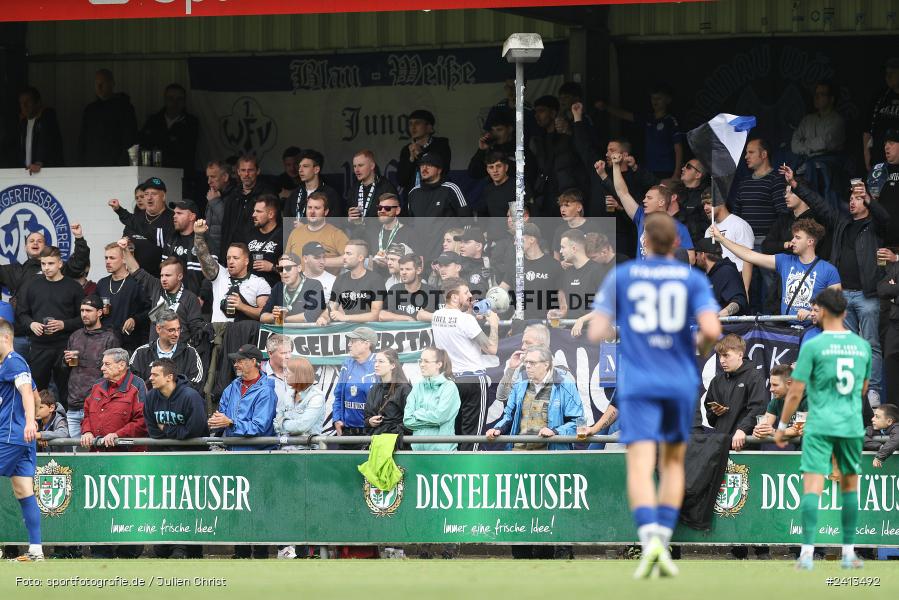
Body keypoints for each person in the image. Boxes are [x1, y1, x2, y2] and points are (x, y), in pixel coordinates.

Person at [588, 212, 722, 578]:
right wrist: (695, 344)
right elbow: (712, 329)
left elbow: (598, 329)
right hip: (678, 380)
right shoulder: (691, 277)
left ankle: (648, 541)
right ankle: (663, 538)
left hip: (641, 381)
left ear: (644, 241)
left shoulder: (623, 276)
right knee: (674, 463)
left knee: (641, 463)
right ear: (677, 243)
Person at [774, 288, 872, 570]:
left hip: (819, 424)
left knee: (813, 487)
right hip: (851, 424)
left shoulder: (813, 346)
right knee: (850, 487)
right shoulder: (861, 346)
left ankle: (806, 553)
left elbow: (795, 393)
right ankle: (849, 552)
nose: (813, 314)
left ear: (826, 311)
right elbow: (863, 388)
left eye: (816, 309)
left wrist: (782, 426)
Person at [785, 168, 888, 405]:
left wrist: (870, 200)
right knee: (848, 347)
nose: (852, 202)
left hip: (867, 294)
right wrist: (796, 185)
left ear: (868, 203)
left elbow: (886, 218)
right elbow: (820, 205)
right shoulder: (842, 223)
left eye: (858, 199)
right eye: (850, 199)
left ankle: (872, 392)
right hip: (843, 296)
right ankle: (853, 392)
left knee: (871, 344)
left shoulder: (874, 226)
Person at [710, 219, 841, 320]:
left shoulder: (829, 270)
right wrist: (721, 239)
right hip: (785, 330)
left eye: (798, 237)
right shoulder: (784, 261)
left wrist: (813, 313)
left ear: (810, 242)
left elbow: (835, 307)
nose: (792, 240)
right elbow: (749, 255)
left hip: (812, 330)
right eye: (793, 237)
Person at [143, 358, 208, 559]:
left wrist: (169, 430)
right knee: (164, 504)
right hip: (163, 459)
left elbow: (195, 429)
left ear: (169, 377)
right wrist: (176, 433)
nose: (150, 378)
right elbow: (153, 430)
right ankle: (165, 546)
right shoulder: (152, 397)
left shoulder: (190, 396)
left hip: (191, 460)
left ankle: (188, 549)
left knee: (187, 504)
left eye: (155, 375)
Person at [431, 279, 499, 451]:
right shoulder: (466, 321)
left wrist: (469, 313)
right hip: (472, 380)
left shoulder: (437, 316)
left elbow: (456, 324)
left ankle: (455, 472)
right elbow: (491, 349)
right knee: (473, 437)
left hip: (450, 380)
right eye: (466, 292)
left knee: (455, 433)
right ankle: (470, 473)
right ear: (454, 297)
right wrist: (494, 325)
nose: (470, 295)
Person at [0, 318, 42, 562]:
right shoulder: (14, 365)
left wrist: (28, 422)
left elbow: (27, 393)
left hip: (9, 436)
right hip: (20, 438)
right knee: (23, 490)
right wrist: (29, 420)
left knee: (24, 490)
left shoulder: (14, 362)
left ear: (6, 338)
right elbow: (36, 397)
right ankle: (36, 550)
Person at [16, 246, 84, 396]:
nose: (46, 268)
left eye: (50, 263)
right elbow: (21, 313)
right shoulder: (32, 285)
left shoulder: (73, 287)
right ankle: (37, 420)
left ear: (60, 264)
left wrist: (64, 324)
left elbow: (84, 319)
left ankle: (67, 420)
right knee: (37, 392)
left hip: (66, 346)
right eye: (43, 264)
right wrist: (31, 324)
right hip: (39, 346)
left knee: (68, 391)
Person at [487, 345, 582, 449]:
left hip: (550, 458)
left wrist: (555, 432)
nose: (527, 366)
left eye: (532, 363)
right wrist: (498, 429)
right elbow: (509, 416)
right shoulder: (519, 384)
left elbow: (577, 422)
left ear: (546, 364)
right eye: (526, 362)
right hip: (518, 453)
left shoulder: (565, 384)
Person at [611, 152, 694, 262]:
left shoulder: (678, 227)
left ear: (661, 202)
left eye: (649, 198)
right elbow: (622, 193)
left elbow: (691, 259)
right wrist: (616, 166)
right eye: (645, 197)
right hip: (641, 276)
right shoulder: (641, 216)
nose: (644, 200)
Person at [596, 83, 684, 179]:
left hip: (666, 170)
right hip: (648, 168)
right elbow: (626, 115)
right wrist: (606, 107)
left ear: (668, 100)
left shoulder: (671, 121)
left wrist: (676, 173)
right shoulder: (648, 118)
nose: (655, 101)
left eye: (659, 98)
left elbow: (678, 148)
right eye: (653, 98)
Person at [193, 219, 271, 323]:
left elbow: (265, 315)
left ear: (246, 261)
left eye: (235, 258)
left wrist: (242, 306)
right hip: (218, 335)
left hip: (245, 335)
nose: (231, 261)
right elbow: (204, 257)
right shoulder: (220, 274)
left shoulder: (259, 283)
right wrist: (198, 236)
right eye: (228, 258)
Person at [702, 334, 768, 452]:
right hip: (719, 447)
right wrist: (714, 412)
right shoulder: (717, 381)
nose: (722, 360)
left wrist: (742, 429)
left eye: (726, 356)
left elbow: (758, 408)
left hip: (745, 446)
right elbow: (710, 419)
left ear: (740, 355)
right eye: (720, 356)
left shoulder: (754, 377)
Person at [64, 295, 119, 437]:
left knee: (95, 454)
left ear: (100, 312)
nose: (84, 314)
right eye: (82, 310)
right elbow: (64, 370)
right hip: (73, 405)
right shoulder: (75, 336)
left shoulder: (109, 338)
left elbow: (115, 374)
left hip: (97, 405)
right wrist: (65, 361)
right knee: (75, 455)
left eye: (88, 310)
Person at [210, 344, 277, 452]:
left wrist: (231, 423)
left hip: (257, 457)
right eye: (235, 361)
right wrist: (215, 422)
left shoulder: (266, 391)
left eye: (240, 361)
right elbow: (222, 417)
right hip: (232, 453)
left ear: (253, 361)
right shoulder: (231, 387)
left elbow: (259, 427)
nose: (235, 365)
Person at [406, 153, 472, 262]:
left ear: (439, 169)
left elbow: (467, 222)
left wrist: (458, 250)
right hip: (420, 258)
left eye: (429, 165)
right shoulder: (413, 193)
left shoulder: (451, 189)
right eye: (422, 165)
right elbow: (410, 225)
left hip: (447, 258)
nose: (424, 168)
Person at [80, 347, 147, 453]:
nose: (102, 368)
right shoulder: (97, 386)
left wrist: (117, 435)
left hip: (126, 456)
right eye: (103, 364)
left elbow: (142, 421)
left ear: (121, 365)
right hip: (97, 453)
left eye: (107, 364)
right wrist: (87, 431)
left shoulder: (138, 386)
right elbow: (87, 414)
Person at [528, 95, 586, 217]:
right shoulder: (538, 139)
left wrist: (568, 132)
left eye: (542, 111)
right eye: (536, 112)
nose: (537, 115)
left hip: (566, 194)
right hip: (546, 196)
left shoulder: (566, 134)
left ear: (553, 113)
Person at [129, 310, 204, 392]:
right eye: (171, 330)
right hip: (149, 403)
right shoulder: (141, 353)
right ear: (158, 329)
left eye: (178, 329)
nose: (176, 334)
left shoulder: (190, 353)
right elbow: (132, 384)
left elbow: (196, 385)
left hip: (179, 404)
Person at [499, 223, 561, 321]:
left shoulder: (554, 265)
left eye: (518, 239)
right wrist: (487, 306)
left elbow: (562, 297)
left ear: (532, 240)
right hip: (520, 324)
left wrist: (559, 314)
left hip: (546, 324)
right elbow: (501, 291)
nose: (515, 243)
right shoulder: (515, 265)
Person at [97, 242, 151, 353]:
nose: (107, 261)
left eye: (112, 258)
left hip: (129, 344)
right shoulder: (102, 283)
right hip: (104, 342)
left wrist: (135, 319)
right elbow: (92, 308)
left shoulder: (136, 283)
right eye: (106, 258)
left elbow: (150, 310)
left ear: (124, 259)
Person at [403, 347, 460, 451]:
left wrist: (418, 413)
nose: (421, 364)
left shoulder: (449, 387)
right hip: (417, 453)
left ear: (439, 364)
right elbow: (407, 420)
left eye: (426, 361)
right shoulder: (417, 386)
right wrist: (434, 420)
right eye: (420, 361)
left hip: (443, 454)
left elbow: (439, 417)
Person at [220, 155, 276, 259]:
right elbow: (225, 227)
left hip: (255, 252)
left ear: (257, 171)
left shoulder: (267, 195)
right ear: (238, 172)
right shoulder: (233, 196)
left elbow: (273, 226)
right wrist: (223, 255)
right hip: (233, 253)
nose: (246, 174)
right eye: (243, 170)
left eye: (250, 170)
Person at [78, 69, 137, 166]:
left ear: (112, 84)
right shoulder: (90, 110)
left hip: (115, 166)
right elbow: (83, 140)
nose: (99, 87)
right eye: (96, 83)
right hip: (92, 166)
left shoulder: (124, 108)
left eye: (102, 83)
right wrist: (81, 164)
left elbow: (129, 139)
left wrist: (122, 164)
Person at [138, 83, 199, 176]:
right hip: (153, 173)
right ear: (165, 100)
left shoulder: (191, 122)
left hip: (181, 176)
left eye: (179, 99)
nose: (175, 103)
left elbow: (185, 150)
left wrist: (159, 145)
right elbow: (144, 146)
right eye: (171, 98)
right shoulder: (153, 120)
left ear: (184, 101)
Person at [332, 328, 379, 446]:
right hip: (347, 432)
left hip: (370, 433)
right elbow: (338, 396)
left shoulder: (378, 364)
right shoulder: (347, 364)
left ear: (366, 344)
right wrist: (337, 419)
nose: (349, 344)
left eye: (353, 341)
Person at [702, 191, 755, 293]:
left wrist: (745, 290)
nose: (705, 207)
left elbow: (748, 259)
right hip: (715, 281)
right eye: (703, 204)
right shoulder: (709, 230)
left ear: (721, 202)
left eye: (708, 202)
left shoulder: (739, 225)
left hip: (736, 279)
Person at [284, 193, 349, 272]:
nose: (312, 212)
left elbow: (350, 258)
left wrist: (321, 261)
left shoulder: (336, 234)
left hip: (325, 283)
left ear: (326, 212)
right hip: (298, 282)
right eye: (309, 208)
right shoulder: (295, 233)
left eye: (317, 208)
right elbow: (286, 258)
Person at [557, 229, 606, 336]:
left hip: (593, 334)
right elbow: (570, 308)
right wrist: (558, 314)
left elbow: (607, 306)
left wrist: (582, 320)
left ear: (574, 248)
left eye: (563, 247)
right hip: (571, 333)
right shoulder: (567, 273)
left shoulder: (597, 270)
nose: (560, 251)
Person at [260, 254, 327, 326]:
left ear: (299, 268)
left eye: (288, 268)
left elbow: (310, 317)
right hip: (283, 334)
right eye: (280, 269)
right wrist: (275, 316)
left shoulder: (313, 285)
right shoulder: (278, 287)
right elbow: (262, 316)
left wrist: (282, 318)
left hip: (306, 333)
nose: (284, 272)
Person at [275, 356, 325, 451]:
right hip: (285, 450)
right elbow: (275, 421)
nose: (285, 375)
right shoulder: (288, 393)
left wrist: (282, 424)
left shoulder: (316, 397)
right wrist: (286, 425)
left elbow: (302, 426)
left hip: (307, 453)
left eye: (288, 372)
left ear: (298, 375)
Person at [110, 177, 175, 249]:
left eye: (154, 194)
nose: (149, 197)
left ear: (163, 196)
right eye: (146, 194)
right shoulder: (137, 218)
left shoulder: (173, 218)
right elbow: (129, 220)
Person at [396, 109, 452, 191]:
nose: (413, 127)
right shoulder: (407, 149)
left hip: (436, 196)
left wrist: (420, 154)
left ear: (429, 128)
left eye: (417, 123)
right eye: (410, 124)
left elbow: (443, 170)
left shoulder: (441, 145)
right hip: (413, 198)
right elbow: (401, 181)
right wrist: (411, 160)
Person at [328, 240, 383, 323]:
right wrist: (324, 318)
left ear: (360, 258)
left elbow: (375, 315)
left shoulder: (376, 279)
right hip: (346, 331)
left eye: (348, 253)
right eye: (344, 253)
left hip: (369, 331)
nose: (344, 257)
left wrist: (345, 317)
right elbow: (331, 307)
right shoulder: (340, 279)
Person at [693, 239, 749, 317]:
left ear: (703, 255)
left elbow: (739, 301)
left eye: (696, 254)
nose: (696, 258)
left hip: (729, 327)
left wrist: (718, 315)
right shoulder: (707, 275)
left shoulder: (726, 271)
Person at [364, 349, 411, 440]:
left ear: (392, 365)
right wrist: (369, 421)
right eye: (375, 361)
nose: (376, 365)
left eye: (381, 361)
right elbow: (366, 416)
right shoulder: (374, 388)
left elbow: (410, 421)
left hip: (397, 445)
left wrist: (391, 431)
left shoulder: (404, 389)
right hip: (374, 440)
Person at [791, 81, 845, 160]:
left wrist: (804, 143)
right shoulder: (807, 119)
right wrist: (809, 150)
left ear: (831, 99)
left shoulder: (837, 120)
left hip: (826, 168)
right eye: (816, 94)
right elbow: (794, 144)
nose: (816, 97)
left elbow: (824, 144)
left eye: (822, 94)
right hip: (804, 167)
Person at [752, 364, 806, 444]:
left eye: (775, 385)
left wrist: (774, 431)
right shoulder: (776, 401)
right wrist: (759, 430)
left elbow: (798, 429)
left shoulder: (806, 397)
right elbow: (764, 424)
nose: (771, 389)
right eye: (771, 385)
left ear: (789, 384)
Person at [283, 149, 343, 220]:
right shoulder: (294, 194)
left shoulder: (330, 194)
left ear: (316, 169)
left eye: (305, 166)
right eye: (299, 166)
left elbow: (335, 225)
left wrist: (306, 228)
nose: (300, 170)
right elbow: (287, 223)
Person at [864, 58, 899, 171]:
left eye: (892, 73)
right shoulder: (880, 97)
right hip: (879, 157)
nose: (888, 76)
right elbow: (867, 130)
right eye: (887, 73)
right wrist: (867, 153)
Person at [18, 86, 63, 173]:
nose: (24, 105)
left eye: (28, 101)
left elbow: (45, 139)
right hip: (26, 173)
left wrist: (39, 162)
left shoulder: (48, 116)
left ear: (38, 102)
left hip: (47, 173)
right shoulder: (23, 123)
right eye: (21, 103)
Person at [381, 254, 438, 322]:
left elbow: (440, 318)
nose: (403, 273)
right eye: (401, 269)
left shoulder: (432, 292)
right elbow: (382, 315)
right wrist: (407, 318)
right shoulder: (395, 289)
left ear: (418, 270)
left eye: (408, 269)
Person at [242, 195, 284, 288]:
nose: (253, 215)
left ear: (271, 215)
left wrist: (272, 267)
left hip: (272, 291)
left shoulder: (284, 235)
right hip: (248, 289)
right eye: (254, 211)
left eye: (258, 211)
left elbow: (295, 269)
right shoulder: (249, 233)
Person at [346, 150, 398, 223]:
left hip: (379, 233)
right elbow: (345, 219)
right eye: (354, 166)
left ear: (372, 166)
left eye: (360, 165)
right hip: (357, 233)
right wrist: (349, 218)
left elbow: (394, 216)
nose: (356, 170)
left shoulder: (386, 187)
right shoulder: (353, 189)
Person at [204, 159, 233, 255]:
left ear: (225, 177)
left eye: (213, 177)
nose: (209, 181)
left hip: (225, 255)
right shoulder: (214, 194)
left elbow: (229, 224)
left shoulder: (235, 196)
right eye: (208, 177)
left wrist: (215, 202)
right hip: (210, 252)